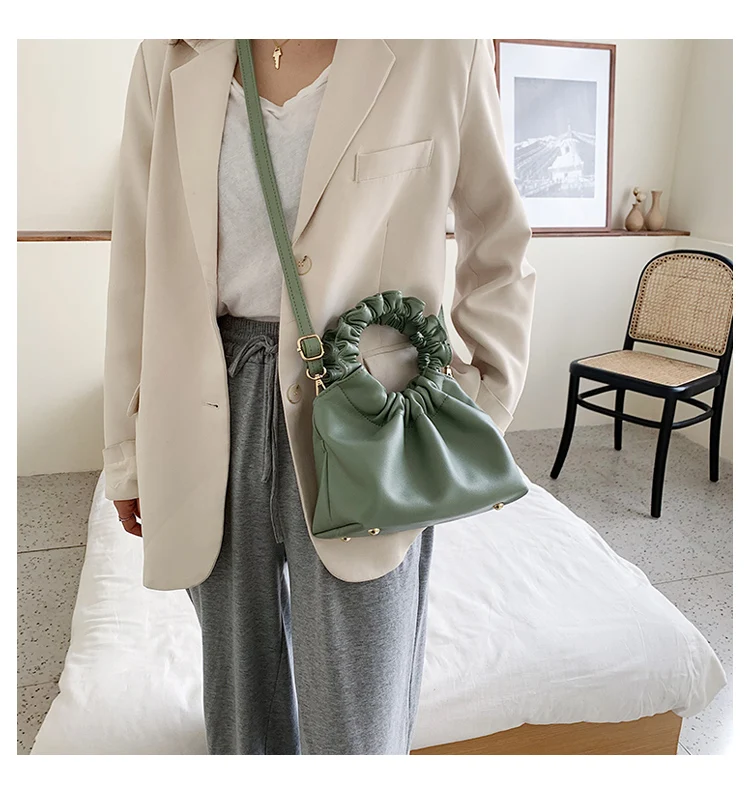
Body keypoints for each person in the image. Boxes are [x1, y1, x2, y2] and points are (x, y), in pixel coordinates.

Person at [102, 38, 536, 755]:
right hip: (209, 396)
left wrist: (479, 403)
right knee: (241, 706)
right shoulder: (172, 53)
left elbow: (499, 243)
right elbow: (136, 262)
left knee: (357, 717)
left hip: (369, 405)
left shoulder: (439, 47)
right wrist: (127, 453)